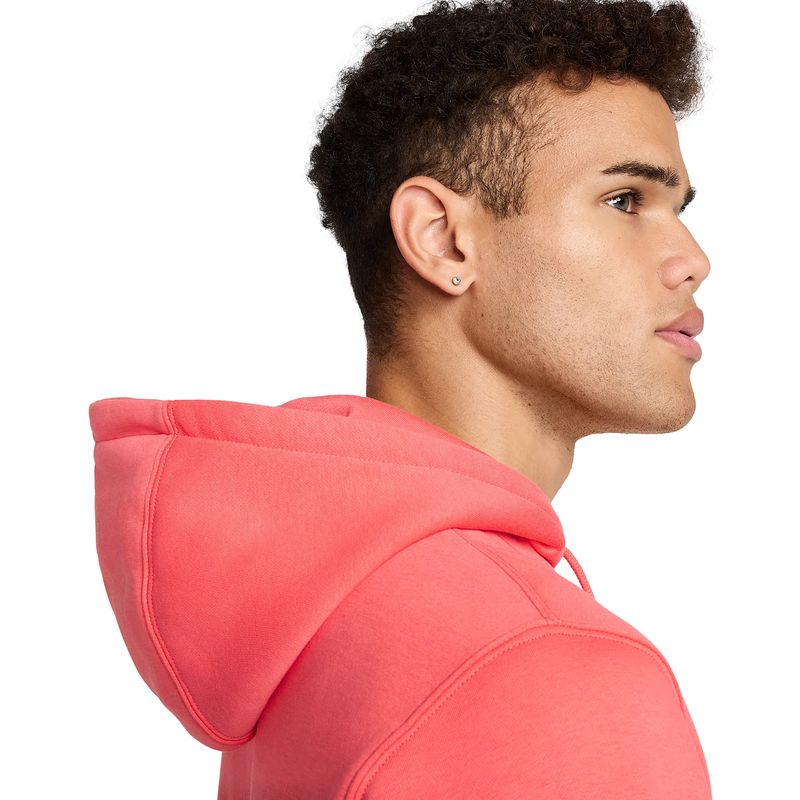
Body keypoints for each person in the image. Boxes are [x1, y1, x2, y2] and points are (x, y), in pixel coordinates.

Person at [89, 0, 713, 796]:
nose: (693, 260)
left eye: (679, 211)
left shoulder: (323, 619)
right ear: (442, 239)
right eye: (625, 201)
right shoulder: (542, 661)